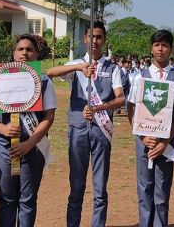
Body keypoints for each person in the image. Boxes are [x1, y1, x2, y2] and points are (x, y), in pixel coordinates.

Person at [47, 21, 126, 227]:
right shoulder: (76, 65)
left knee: (100, 188)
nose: (95, 41)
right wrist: (79, 67)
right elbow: (50, 73)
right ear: (85, 38)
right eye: (92, 37)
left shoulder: (112, 68)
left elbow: (120, 98)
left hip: (101, 129)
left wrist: (99, 108)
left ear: (104, 40)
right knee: (76, 185)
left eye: (99, 37)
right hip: (78, 129)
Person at [0, 34, 56, 227]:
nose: (25, 53)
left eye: (29, 49)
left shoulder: (44, 82)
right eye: (20, 49)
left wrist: (29, 143)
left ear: (36, 54)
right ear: (13, 53)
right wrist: (2, 128)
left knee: (27, 200)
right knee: (6, 199)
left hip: (33, 148)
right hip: (4, 148)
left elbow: (49, 117)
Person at [126, 30, 174, 227]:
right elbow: (131, 109)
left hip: (166, 143)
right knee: (144, 187)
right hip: (143, 141)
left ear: (171, 49)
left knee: (162, 189)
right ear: (151, 48)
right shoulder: (138, 77)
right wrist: (142, 136)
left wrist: (165, 141)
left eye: (165, 45)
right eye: (157, 45)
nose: (160, 49)